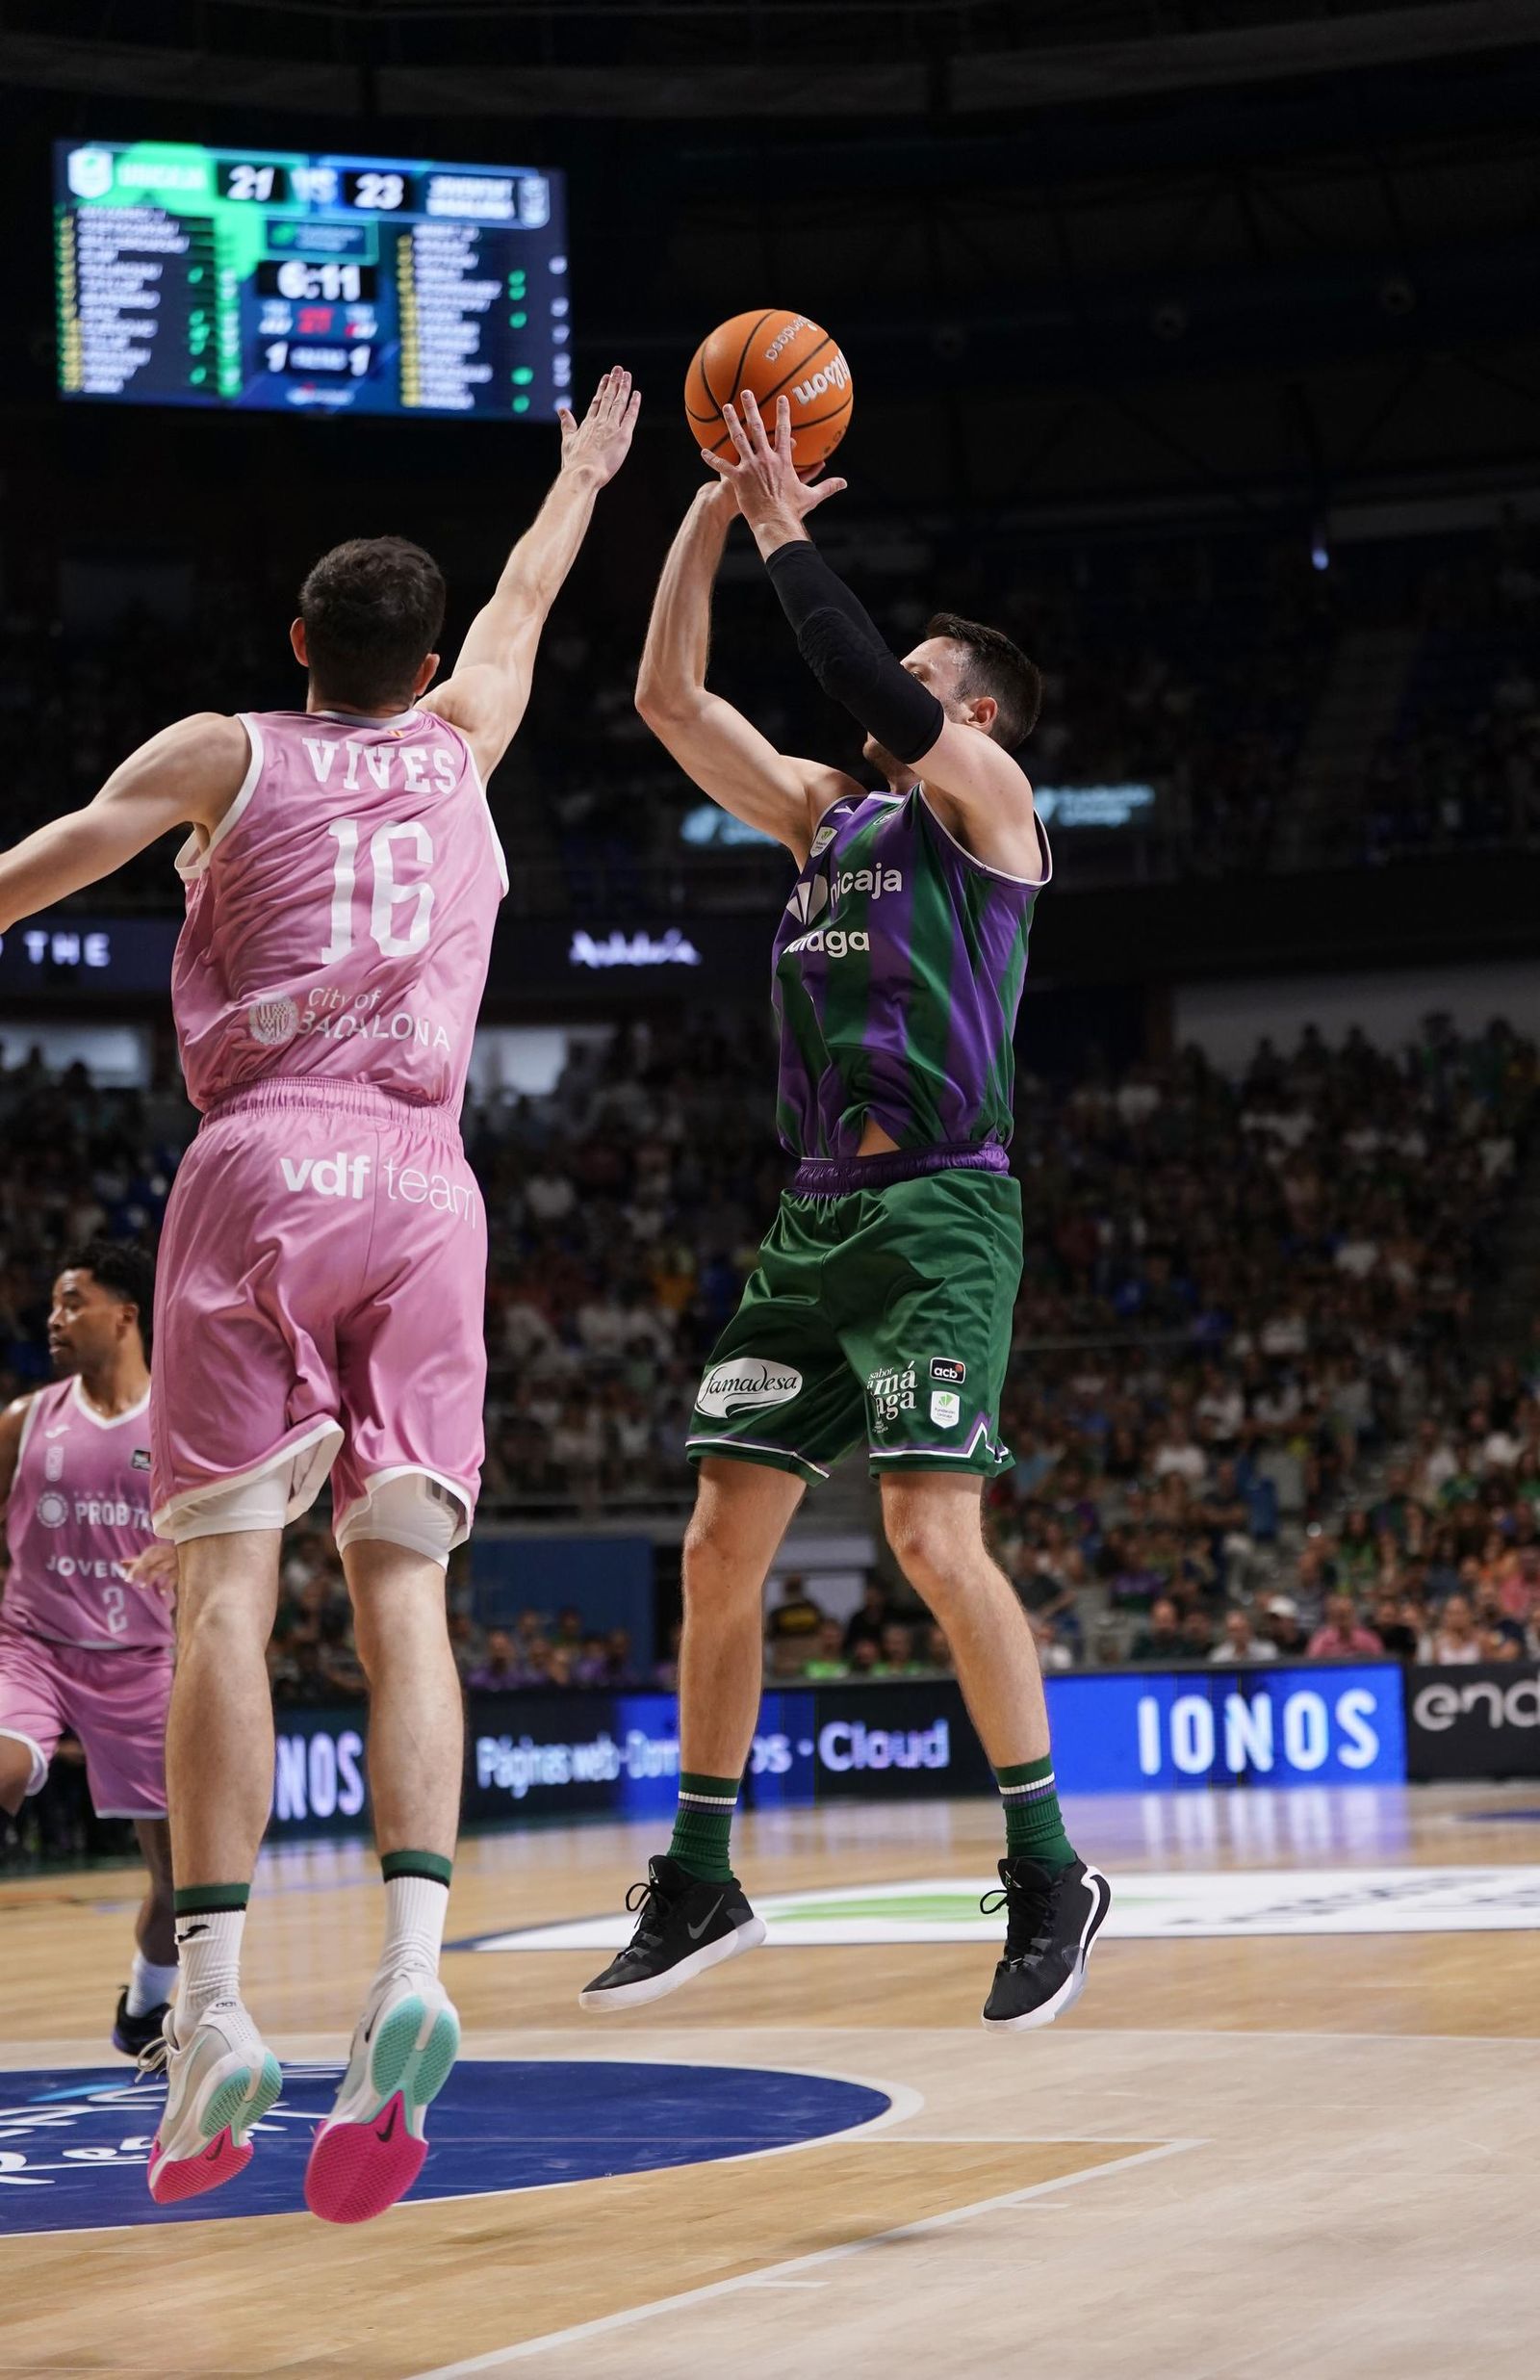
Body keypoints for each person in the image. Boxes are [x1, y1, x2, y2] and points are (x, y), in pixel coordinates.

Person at [0, 370, 639, 2218]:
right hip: (429, 1185)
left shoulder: (224, 749)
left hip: (262, 1165)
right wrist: (582, 476)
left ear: (297, 642)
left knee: (222, 1593)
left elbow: (41, 869)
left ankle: (211, 2004)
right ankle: (414, 1969)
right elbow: (526, 599)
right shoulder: (463, 740)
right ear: (420, 661)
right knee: (405, 1592)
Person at [580, 389, 1109, 2034]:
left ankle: (1049, 1871)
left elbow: (866, 677)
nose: (899, 686)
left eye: (928, 678)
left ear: (979, 715)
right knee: (717, 1542)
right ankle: (700, 1876)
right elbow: (670, 698)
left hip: (942, 1213)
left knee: (932, 1538)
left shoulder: (990, 810)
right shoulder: (827, 816)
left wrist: (781, 524)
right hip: (814, 1219)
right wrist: (708, 516)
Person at [0, 1242, 176, 2057]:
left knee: (182, 1881)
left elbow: (238, 1535)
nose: (54, 1318)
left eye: (73, 1302)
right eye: (53, 1304)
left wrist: (189, 1553)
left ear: (126, 1315)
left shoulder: (182, 1425)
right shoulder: (24, 1421)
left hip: (142, 1662)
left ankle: (143, 2011)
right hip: (32, 1646)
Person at [1209, 1609, 1277, 1666]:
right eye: (1233, 1630)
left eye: (1242, 1628)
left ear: (1249, 1628)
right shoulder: (1219, 1656)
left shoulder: (1267, 1651)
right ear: (1227, 1633)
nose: (1238, 1634)